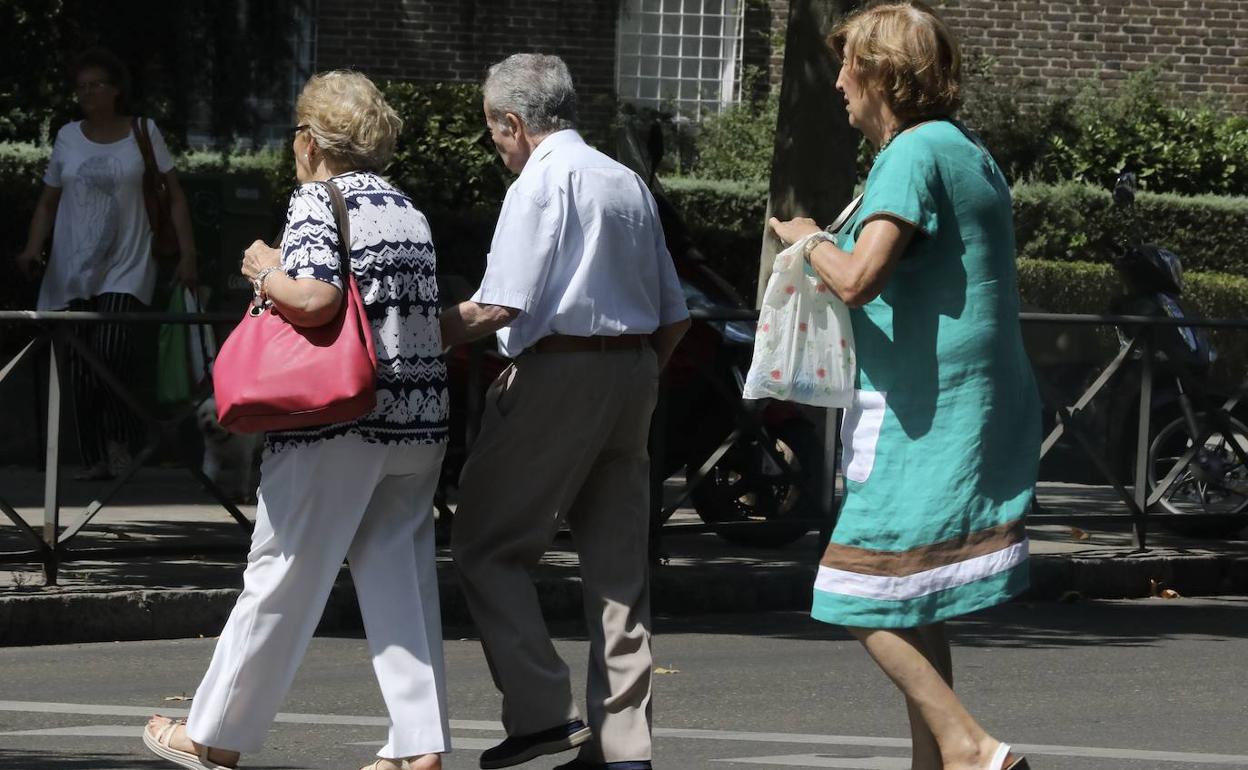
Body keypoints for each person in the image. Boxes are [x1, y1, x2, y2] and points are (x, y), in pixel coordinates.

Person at [141, 70, 451, 770]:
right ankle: (418, 745)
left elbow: (312, 299)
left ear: (310, 142)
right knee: (401, 579)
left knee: (281, 573)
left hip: (334, 426)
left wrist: (262, 268)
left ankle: (214, 734)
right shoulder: (407, 208)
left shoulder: (318, 197)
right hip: (418, 423)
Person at [767, 4, 1039, 770]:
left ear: (883, 74)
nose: (840, 84)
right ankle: (938, 761)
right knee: (914, 596)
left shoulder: (913, 153)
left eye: (849, 65)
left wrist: (808, 237)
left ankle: (970, 745)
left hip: (922, 409)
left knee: (852, 589)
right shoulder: (964, 149)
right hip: (960, 401)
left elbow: (858, 279)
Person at [441, 53, 690, 770]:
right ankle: (624, 748)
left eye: (495, 132)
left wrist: (407, 332)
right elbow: (675, 316)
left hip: (558, 370)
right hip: (634, 368)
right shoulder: (625, 182)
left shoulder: (541, 182)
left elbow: (498, 304)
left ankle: (542, 712)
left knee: (487, 546)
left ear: (513, 123)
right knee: (617, 570)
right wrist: (630, 375)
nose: (497, 147)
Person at [15, 47, 198, 480]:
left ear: (116, 90)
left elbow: (173, 196)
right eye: (81, 87)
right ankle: (96, 456)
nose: (87, 93)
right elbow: (48, 201)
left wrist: (188, 255)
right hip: (72, 268)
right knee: (79, 364)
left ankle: (122, 444)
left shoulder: (143, 132)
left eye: (96, 84)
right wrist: (30, 247)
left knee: (110, 351)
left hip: (128, 263)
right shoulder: (67, 137)